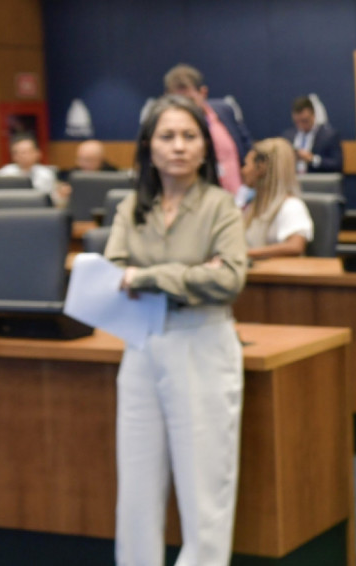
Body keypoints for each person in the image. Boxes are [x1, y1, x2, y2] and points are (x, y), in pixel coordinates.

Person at [105, 94, 248, 566]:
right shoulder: (131, 208)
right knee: (137, 488)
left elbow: (227, 279)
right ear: (148, 147)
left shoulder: (221, 206)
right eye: (167, 136)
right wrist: (189, 274)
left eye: (190, 136)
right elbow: (111, 274)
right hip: (141, 347)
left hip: (202, 345)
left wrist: (148, 277)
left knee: (204, 488)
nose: (179, 146)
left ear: (206, 149)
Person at [164, 64, 254, 195]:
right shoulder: (166, 130)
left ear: (203, 93)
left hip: (239, 200)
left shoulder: (225, 110)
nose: (184, 107)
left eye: (189, 100)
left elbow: (247, 146)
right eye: (176, 100)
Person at [240, 138, 314, 260]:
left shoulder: (291, 206)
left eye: (247, 164)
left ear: (261, 167)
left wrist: (247, 253)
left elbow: (295, 246)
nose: (243, 171)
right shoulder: (253, 205)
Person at [282, 95, 343, 174]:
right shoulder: (287, 136)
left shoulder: (329, 136)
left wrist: (312, 159)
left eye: (305, 121)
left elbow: (337, 165)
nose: (301, 125)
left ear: (313, 115)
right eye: (297, 121)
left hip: (316, 183)